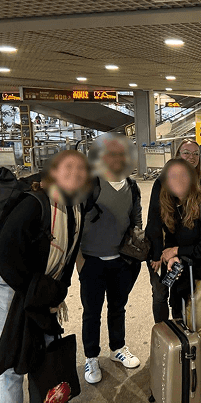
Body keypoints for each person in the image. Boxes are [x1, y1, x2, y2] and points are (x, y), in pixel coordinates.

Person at [0, 150, 89, 403]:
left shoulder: (76, 206)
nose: (75, 174)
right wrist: (40, 295)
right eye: (68, 168)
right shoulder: (34, 204)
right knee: (12, 363)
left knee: (42, 351)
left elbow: (69, 256)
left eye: (80, 170)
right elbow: (5, 259)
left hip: (38, 287)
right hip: (7, 287)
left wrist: (57, 293)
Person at [146, 157, 201, 398]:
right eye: (172, 177)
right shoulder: (172, 206)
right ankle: (196, 369)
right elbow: (171, 241)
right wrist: (170, 256)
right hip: (185, 276)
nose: (177, 181)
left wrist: (176, 251)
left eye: (183, 176)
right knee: (189, 326)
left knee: (200, 330)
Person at [78, 135, 143, 384]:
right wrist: (79, 261)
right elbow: (75, 224)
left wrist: (135, 249)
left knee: (118, 307)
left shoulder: (132, 186)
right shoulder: (89, 185)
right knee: (91, 311)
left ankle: (118, 348)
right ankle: (91, 357)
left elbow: (136, 218)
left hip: (122, 260)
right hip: (92, 261)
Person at [146, 139, 201, 323]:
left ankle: (179, 333)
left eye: (196, 153)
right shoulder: (162, 181)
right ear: (177, 155)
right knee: (160, 292)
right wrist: (158, 255)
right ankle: (162, 333)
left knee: (180, 292)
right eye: (186, 152)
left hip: (183, 248)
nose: (192, 157)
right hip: (163, 245)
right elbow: (154, 219)